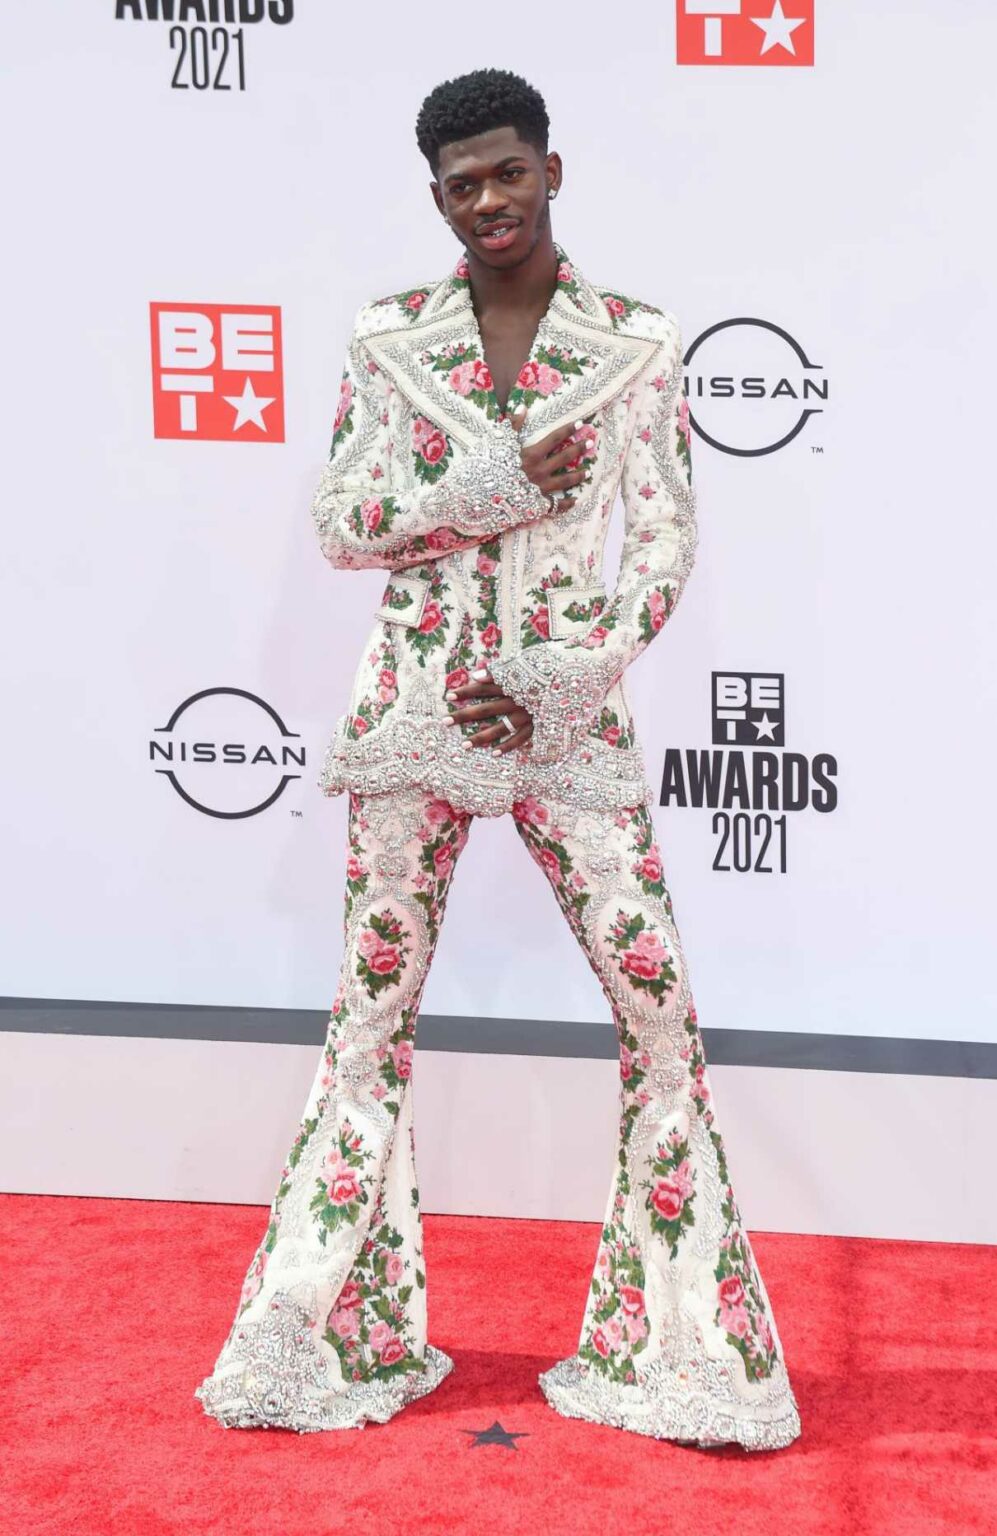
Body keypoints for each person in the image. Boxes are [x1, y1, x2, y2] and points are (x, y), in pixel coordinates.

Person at [194, 67, 802, 1452]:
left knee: (658, 1018)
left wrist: (566, 673)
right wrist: (462, 496)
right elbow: (344, 520)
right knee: (366, 1026)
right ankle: (319, 1340)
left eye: (507, 173)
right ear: (436, 199)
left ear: (551, 171)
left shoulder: (637, 342)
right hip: (410, 715)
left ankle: (686, 1354)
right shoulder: (389, 334)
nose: (488, 203)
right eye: (462, 185)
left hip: (565, 716)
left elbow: (662, 538)